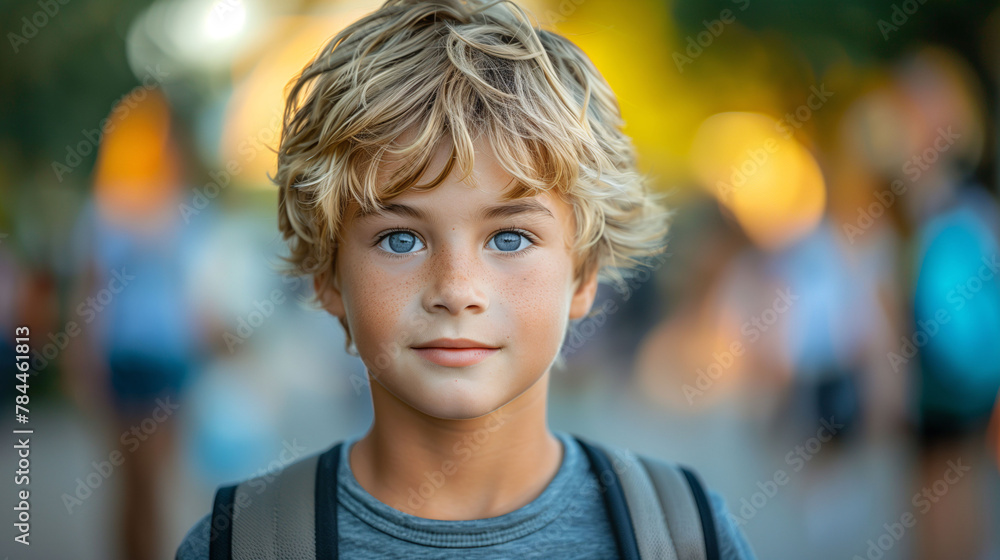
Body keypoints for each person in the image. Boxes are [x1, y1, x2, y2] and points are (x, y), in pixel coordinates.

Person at [176, 0, 757, 557]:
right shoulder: (242, 543)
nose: (456, 289)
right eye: (400, 239)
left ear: (583, 276)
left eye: (510, 238)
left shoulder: (682, 534)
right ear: (327, 276)